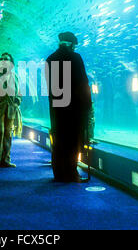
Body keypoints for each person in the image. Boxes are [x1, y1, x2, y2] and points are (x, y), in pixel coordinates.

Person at [45, 32, 92, 183]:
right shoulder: (75, 57)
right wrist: (88, 105)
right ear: (71, 44)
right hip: (74, 108)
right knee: (72, 141)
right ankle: (71, 174)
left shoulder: (50, 59)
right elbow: (83, 84)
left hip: (57, 108)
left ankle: (58, 174)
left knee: (58, 140)